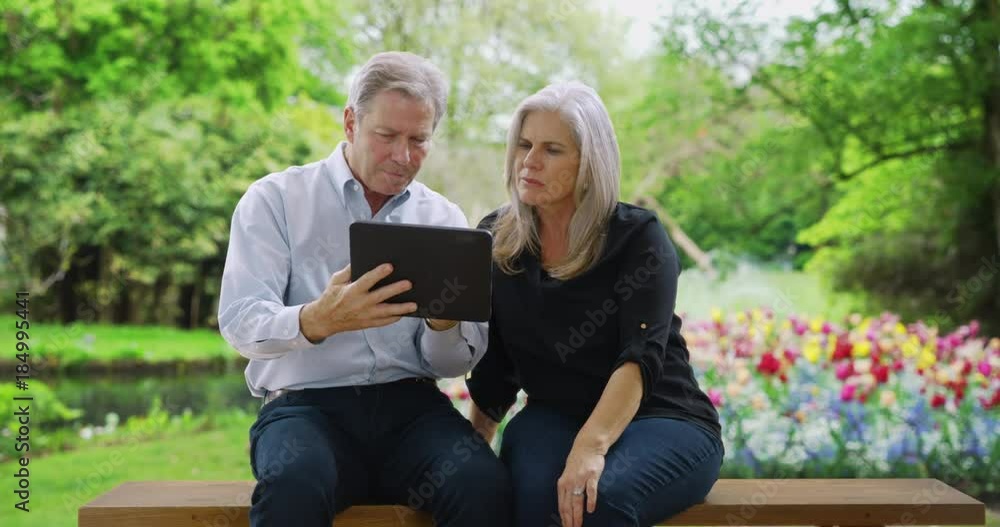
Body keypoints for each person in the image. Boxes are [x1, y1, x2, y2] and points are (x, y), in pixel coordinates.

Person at [218, 51, 511, 527]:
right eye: (387, 136)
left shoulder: (444, 219)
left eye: (418, 140)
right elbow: (240, 321)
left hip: (412, 410)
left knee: (482, 484)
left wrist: (443, 324)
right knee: (295, 483)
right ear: (351, 122)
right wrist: (317, 320)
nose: (403, 156)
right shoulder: (275, 200)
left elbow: (453, 364)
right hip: (305, 407)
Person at [466, 81, 724, 527]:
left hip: (662, 416)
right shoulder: (497, 239)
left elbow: (639, 356)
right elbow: (495, 366)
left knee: (598, 500)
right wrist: (473, 452)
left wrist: (590, 447)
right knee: (529, 498)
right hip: (553, 415)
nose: (530, 161)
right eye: (524, 145)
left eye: (552, 150)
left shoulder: (638, 238)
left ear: (590, 164)